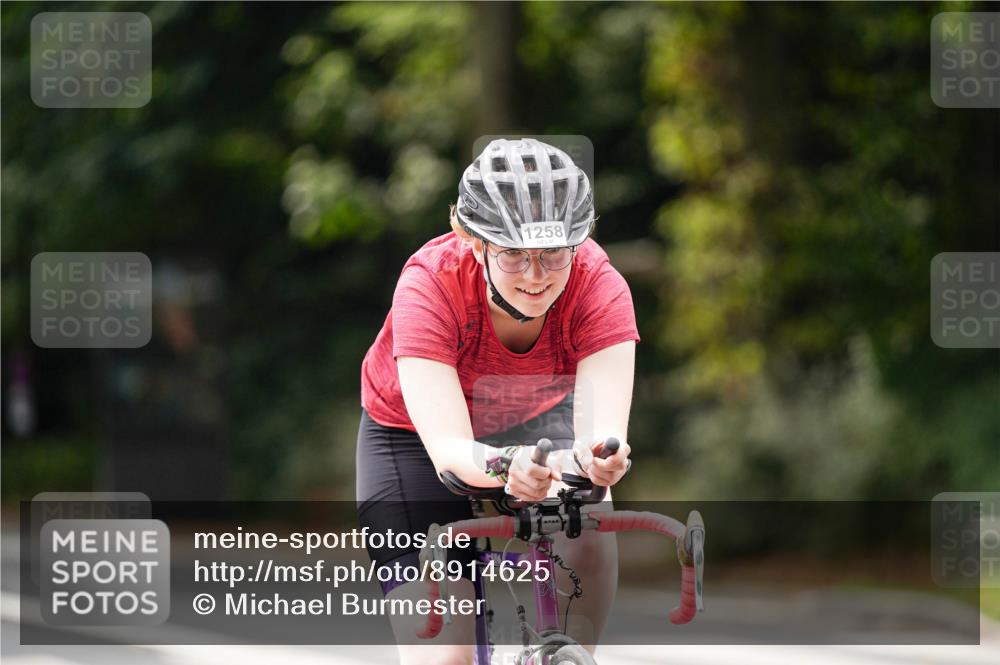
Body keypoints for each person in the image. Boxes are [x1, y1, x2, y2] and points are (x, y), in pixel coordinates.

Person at [356, 138, 638, 664]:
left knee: (590, 520)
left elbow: (599, 437)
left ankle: (570, 654)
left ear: (580, 240)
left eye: (554, 253)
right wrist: (507, 465)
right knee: (446, 655)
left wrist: (598, 460)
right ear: (473, 240)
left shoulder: (598, 286)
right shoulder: (429, 284)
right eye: (513, 253)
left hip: (534, 424)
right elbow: (448, 449)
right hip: (412, 437)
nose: (536, 275)